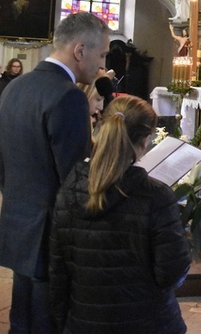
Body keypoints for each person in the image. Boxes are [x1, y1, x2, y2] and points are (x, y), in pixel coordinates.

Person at [0, 12, 109, 332]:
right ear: (80, 51)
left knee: (22, 319)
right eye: (101, 55)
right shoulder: (68, 96)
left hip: (19, 223)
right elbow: (75, 179)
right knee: (47, 321)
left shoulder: (15, 87)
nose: (102, 66)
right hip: (52, 234)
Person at [49, 95, 191, 333]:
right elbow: (171, 274)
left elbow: (58, 273)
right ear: (145, 140)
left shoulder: (69, 188)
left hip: (85, 322)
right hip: (148, 322)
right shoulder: (156, 197)